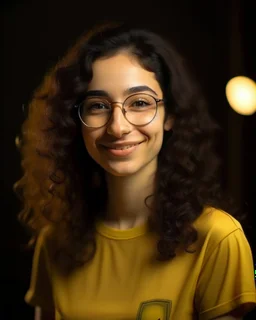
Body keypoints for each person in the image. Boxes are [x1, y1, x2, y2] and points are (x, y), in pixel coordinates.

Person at [15, 21, 256, 320]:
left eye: (140, 102)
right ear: (75, 122)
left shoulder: (216, 238)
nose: (118, 126)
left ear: (171, 116)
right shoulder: (55, 243)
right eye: (98, 106)